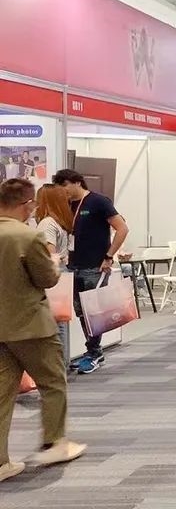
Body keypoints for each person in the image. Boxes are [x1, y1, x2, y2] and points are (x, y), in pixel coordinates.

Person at [0, 178, 86, 483]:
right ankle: (54, 443)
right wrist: (53, 263)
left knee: (3, 394)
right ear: (26, 204)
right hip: (32, 325)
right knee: (52, 382)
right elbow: (47, 279)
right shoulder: (27, 236)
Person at [52, 170, 129, 375]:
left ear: (77, 182)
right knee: (81, 312)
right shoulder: (67, 205)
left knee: (94, 312)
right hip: (73, 266)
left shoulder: (98, 201)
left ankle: (93, 353)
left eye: (65, 185)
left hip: (95, 266)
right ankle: (94, 351)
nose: (64, 190)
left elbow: (122, 228)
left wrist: (109, 256)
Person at [34, 184, 74, 370]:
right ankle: (62, 363)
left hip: (54, 274)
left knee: (55, 323)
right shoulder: (60, 223)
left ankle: (58, 366)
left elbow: (49, 255)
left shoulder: (47, 223)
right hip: (62, 272)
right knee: (61, 321)